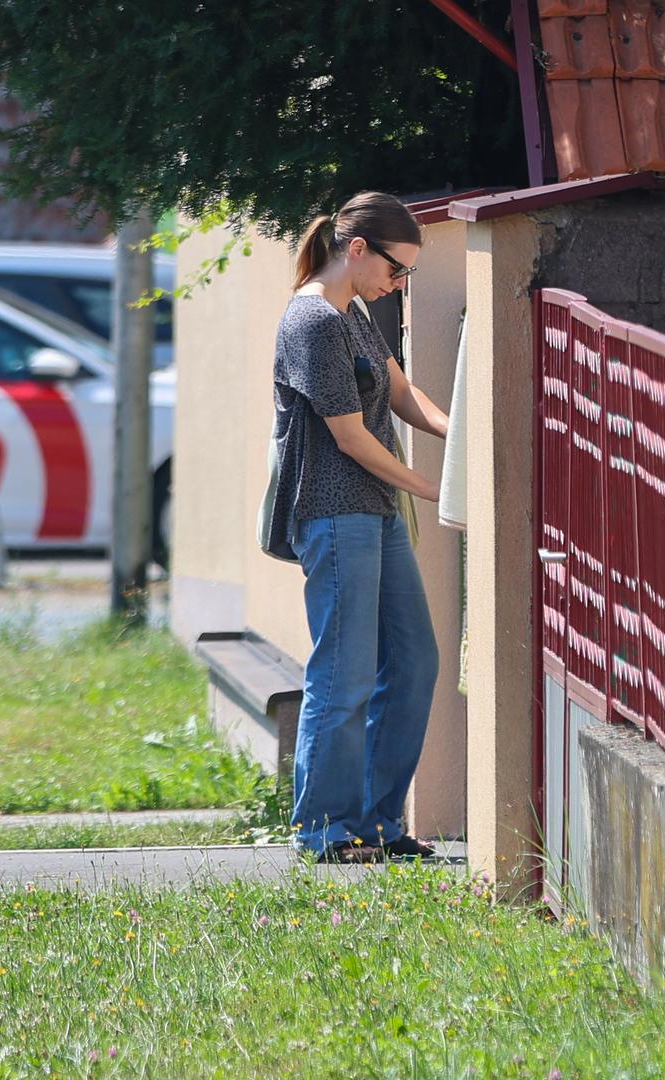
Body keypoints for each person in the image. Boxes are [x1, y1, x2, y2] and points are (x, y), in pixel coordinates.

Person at [270, 191, 447, 863]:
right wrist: (434, 489)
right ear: (357, 249)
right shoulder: (312, 322)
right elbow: (348, 438)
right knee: (342, 676)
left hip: (374, 510)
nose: (398, 283)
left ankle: (375, 824)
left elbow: (401, 394)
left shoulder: (357, 313)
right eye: (395, 268)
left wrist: (459, 437)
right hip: (334, 511)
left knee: (413, 660)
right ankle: (324, 829)